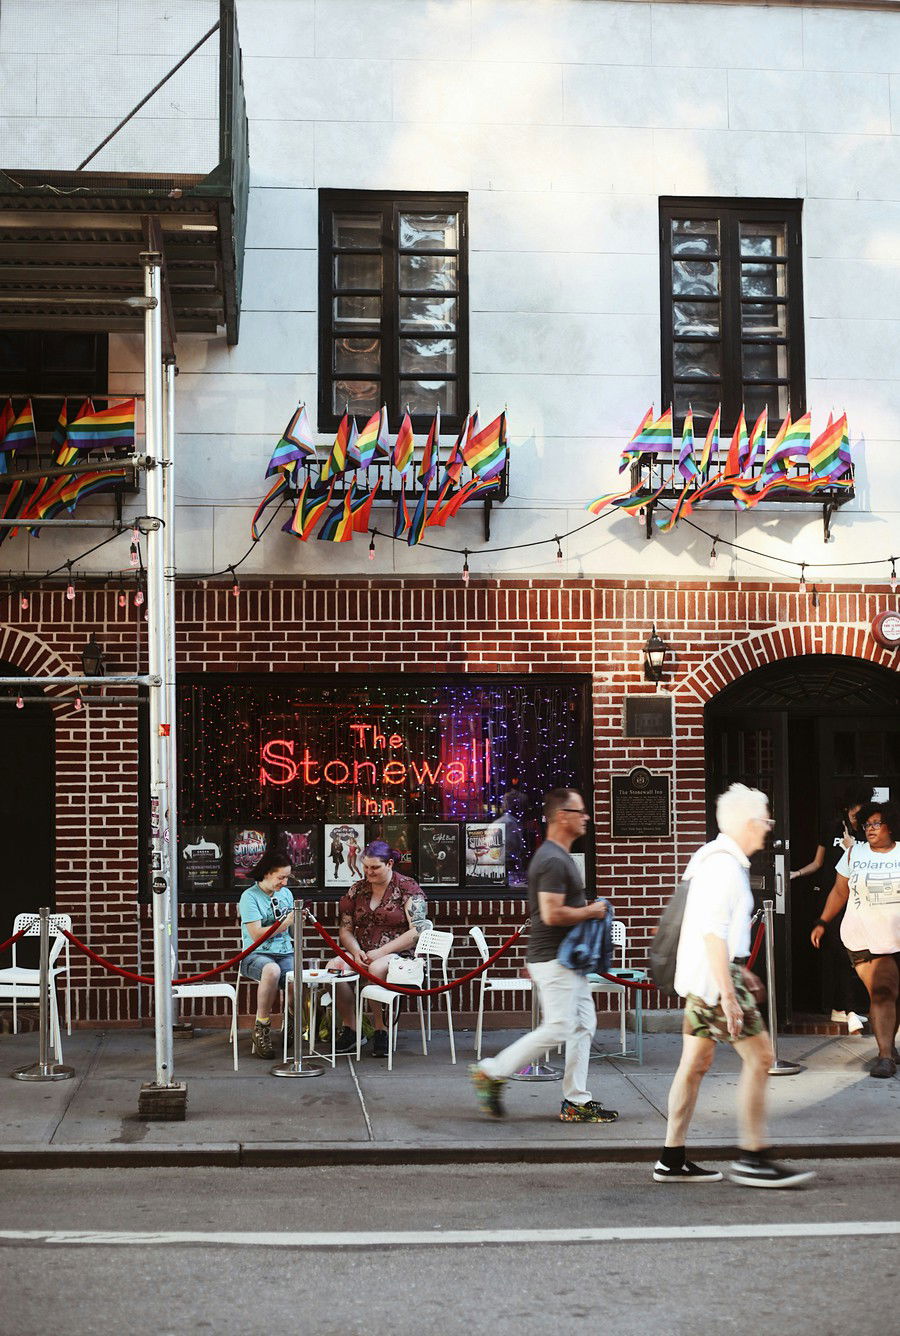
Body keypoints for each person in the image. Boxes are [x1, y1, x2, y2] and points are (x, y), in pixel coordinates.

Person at [654, 784, 813, 1187]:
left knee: (694, 1066)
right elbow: (711, 933)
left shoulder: (712, 859)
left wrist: (738, 971)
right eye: (765, 819)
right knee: (761, 1059)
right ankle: (753, 1156)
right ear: (748, 822)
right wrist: (729, 994)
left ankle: (671, 1159)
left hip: (705, 979)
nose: (768, 828)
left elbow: (708, 930)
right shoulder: (723, 866)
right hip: (713, 982)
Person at [470, 788, 618, 1124]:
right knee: (559, 1027)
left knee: (582, 1024)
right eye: (580, 812)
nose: (586, 818)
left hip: (563, 960)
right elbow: (551, 915)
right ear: (563, 816)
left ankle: (576, 1101)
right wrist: (593, 912)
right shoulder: (552, 859)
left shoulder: (556, 855)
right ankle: (490, 1072)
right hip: (556, 959)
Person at [811, 799, 900, 1078]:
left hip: (893, 936)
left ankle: (887, 1047)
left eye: (877, 823)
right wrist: (822, 921)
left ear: (892, 826)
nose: (871, 829)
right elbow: (839, 892)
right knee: (882, 991)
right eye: (867, 824)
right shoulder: (854, 854)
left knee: (888, 994)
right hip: (859, 937)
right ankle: (885, 1054)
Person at [332, 840, 428, 1058]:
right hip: (362, 951)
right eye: (365, 867)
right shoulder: (357, 889)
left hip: (399, 953)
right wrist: (355, 951)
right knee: (333, 969)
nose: (369, 872)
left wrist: (382, 952)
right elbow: (345, 930)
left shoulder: (407, 887)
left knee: (375, 968)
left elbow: (417, 931)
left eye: (375, 867)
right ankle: (352, 1028)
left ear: (390, 864)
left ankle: (381, 1029)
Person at [791, 786, 870, 1031]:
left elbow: (868, 865)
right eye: (856, 808)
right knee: (841, 953)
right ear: (847, 808)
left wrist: (851, 848)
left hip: (858, 901)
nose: (859, 814)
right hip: (833, 901)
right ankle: (849, 1011)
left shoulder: (869, 833)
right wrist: (796, 873)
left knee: (856, 953)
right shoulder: (833, 827)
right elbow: (818, 862)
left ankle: (842, 1009)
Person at [238, 852, 295, 1059]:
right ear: (267, 874)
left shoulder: (286, 894)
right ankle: (261, 1027)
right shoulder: (249, 897)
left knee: (296, 978)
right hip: (256, 954)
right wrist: (285, 923)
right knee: (271, 970)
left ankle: (292, 1024)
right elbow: (256, 935)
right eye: (281, 877)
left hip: (284, 951)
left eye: (287, 877)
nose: (285, 882)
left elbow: (291, 931)